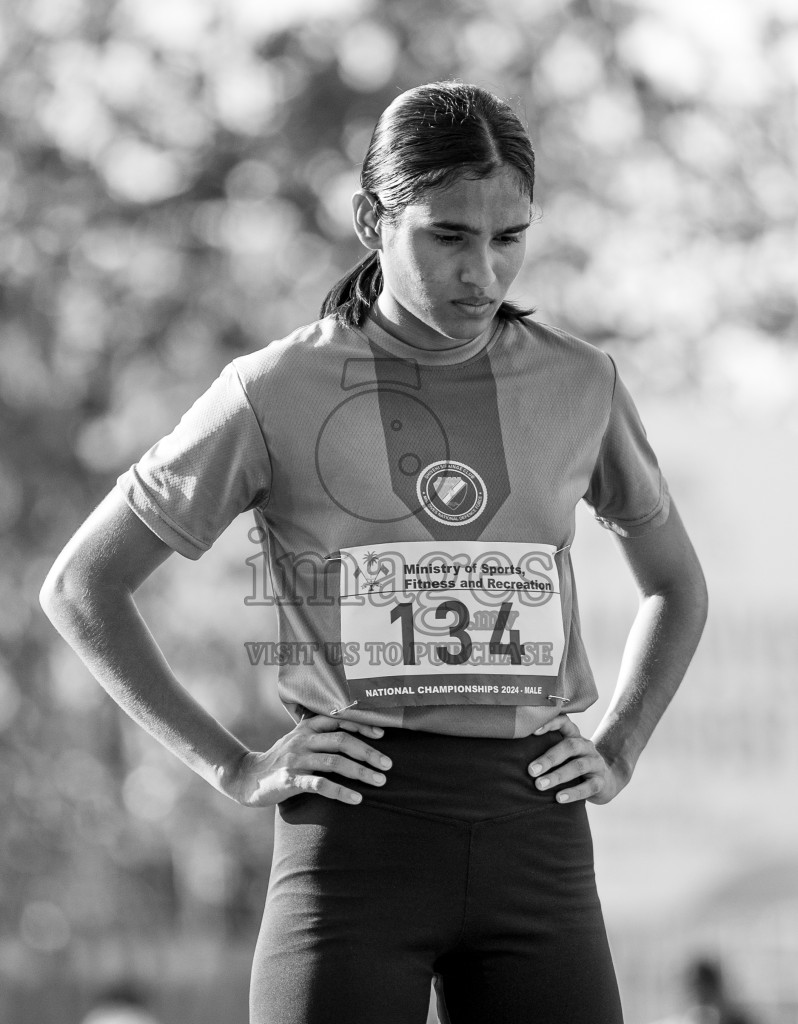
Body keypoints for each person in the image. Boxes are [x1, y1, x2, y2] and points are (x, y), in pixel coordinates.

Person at [41, 81, 708, 1024]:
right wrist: (232, 766)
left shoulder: (581, 382)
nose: (483, 271)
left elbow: (676, 586)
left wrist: (622, 746)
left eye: (509, 237)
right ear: (371, 220)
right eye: (448, 236)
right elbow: (83, 585)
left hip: (536, 837)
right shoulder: (273, 390)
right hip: (355, 842)